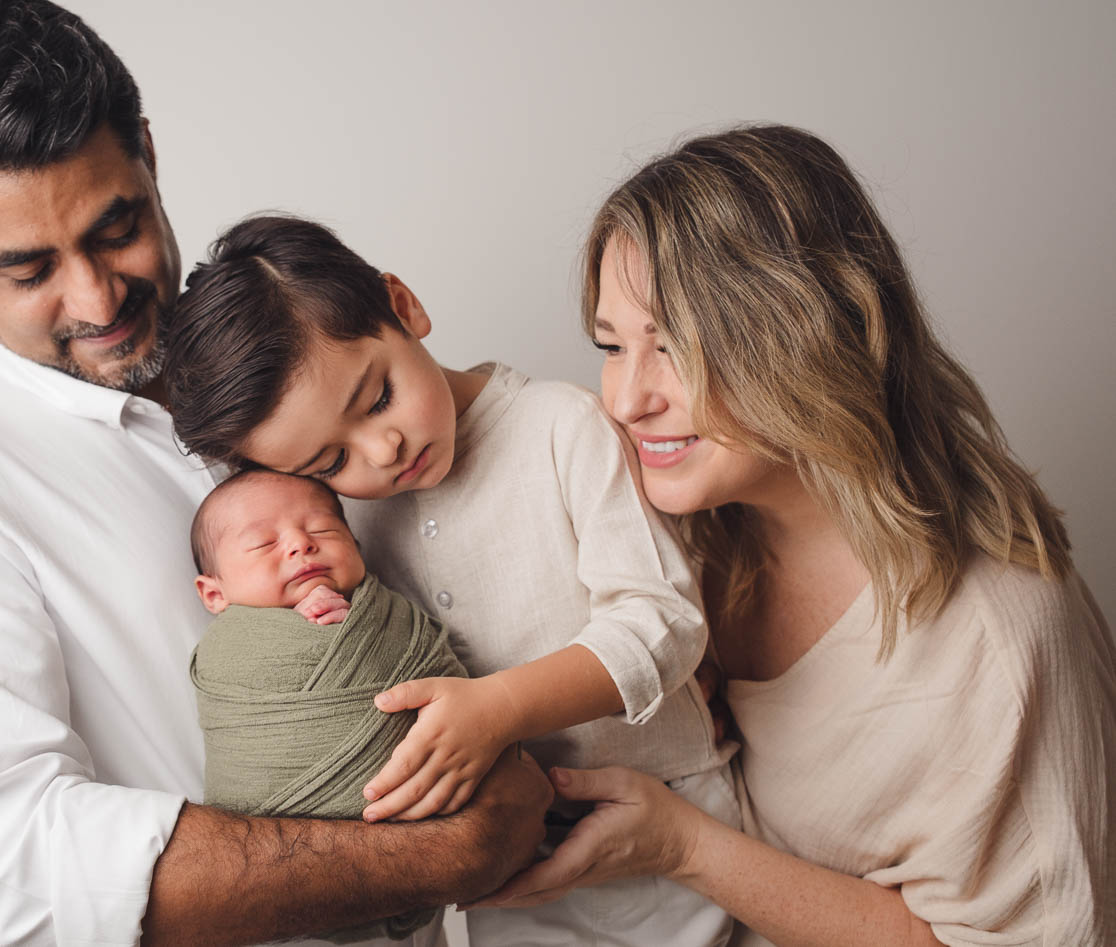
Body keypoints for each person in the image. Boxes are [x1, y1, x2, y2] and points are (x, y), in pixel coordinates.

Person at [0, 2, 550, 945]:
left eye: (114, 227)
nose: (96, 297)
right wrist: (450, 850)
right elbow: (17, 878)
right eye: (28, 268)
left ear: (150, 157)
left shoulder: (284, 367)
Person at [468, 124, 1116, 945]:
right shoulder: (678, 538)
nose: (627, 400)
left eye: (673, 347)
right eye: (610, 345)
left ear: (807, 331)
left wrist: (683, 843)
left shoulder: (994, 633)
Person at [165, 214, 739, 946]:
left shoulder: (558, 427)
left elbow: (663, 619)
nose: (382, 449)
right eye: (329, 464)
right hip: (514, 871)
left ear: (402, 306)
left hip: (666, 827)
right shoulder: (349, 528)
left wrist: (498, 707)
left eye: (376, 398)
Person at [189, 469, 469, 941]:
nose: (301, 544)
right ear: (214, 594)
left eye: (323, 530)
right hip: (284, 865)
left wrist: (348, 628)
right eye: (263, 543)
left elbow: (453, 692)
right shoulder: (227, 651)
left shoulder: (390, 616)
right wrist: (304, 638)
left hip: (418, 851)